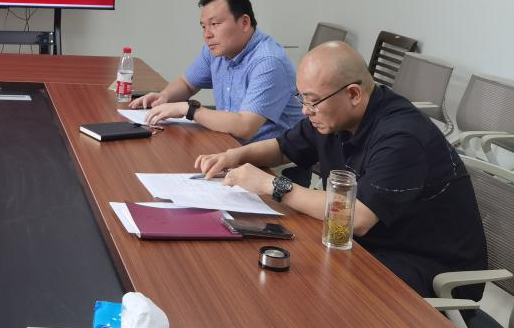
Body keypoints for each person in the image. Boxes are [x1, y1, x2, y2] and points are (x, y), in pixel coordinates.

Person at [195, 41, 488, 298]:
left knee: (301, 290)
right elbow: (284, 147)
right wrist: (233, 155)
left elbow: (358, 217)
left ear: (354, 94)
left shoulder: (402, 137)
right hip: (365, 245)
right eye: (302, 99)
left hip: (423, 266)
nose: (305, 110)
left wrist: (272, 185)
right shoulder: (332, 116)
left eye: (313, 101)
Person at [129, 0, 303, 143]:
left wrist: (190, 110)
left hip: (272, 159)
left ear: (245, 23)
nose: (207, 34)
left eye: (214, 24)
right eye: (203, 27)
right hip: (228, 143)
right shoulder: (216, 49)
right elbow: (187, 83)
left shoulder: (269, 62)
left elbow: (245, 126)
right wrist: (165, 96)